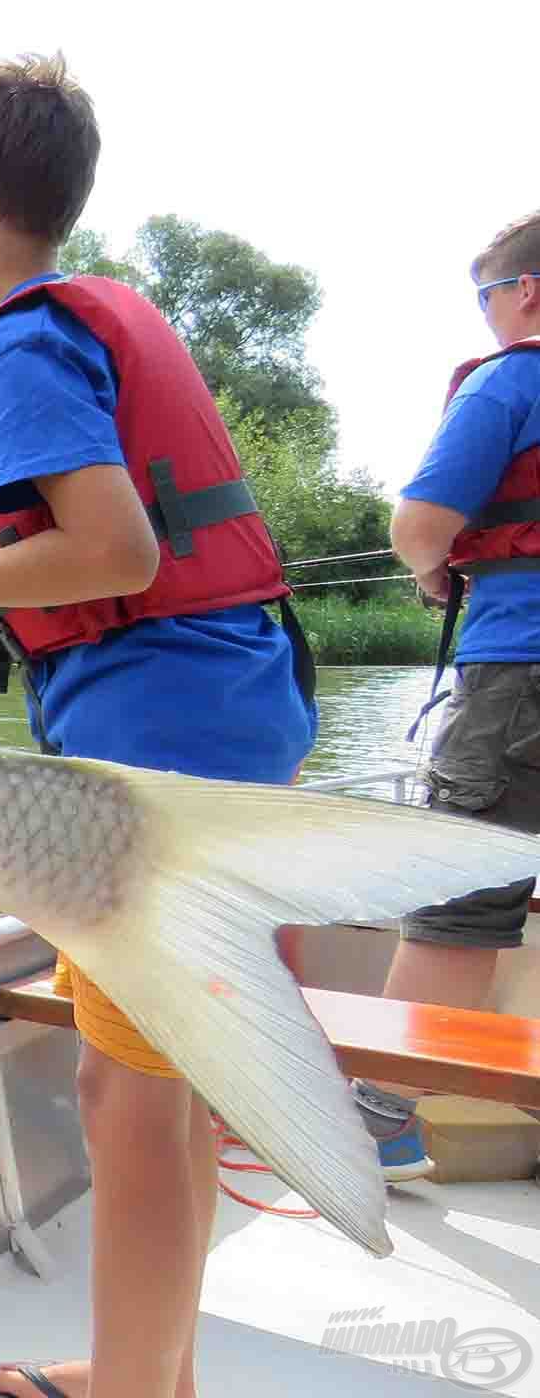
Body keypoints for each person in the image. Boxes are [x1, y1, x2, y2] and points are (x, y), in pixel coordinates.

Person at [0, 56, 315, 1398]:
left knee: (130, 1097)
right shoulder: (58, 330)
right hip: (228, 704)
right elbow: (73, 521)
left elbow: (109, 549)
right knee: (163, 1080)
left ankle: (133, 1386)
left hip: (159, 727)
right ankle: (153, 1375)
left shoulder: (16, 346)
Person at [355, 211, 540, 1182]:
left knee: (458, 902)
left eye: (486, 299)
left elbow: (422, 522)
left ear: (527, 293)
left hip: (521, 676)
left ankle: (377, 1121)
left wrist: (436, 573)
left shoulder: (514, 378)